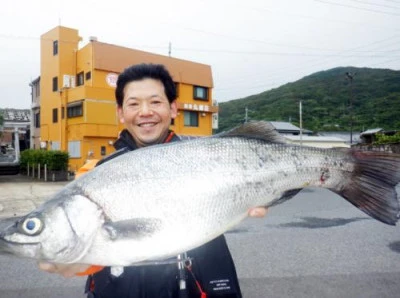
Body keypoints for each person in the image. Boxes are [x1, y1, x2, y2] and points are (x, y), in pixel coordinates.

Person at [39, 63, 267, 297]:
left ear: (173, 108)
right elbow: (98, 250)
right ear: (120, 113)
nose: (145, 111)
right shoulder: (94, 174)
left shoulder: (207, 158)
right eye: (134, 104)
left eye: (155, 102)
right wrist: (77, 261)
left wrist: (258, 196)